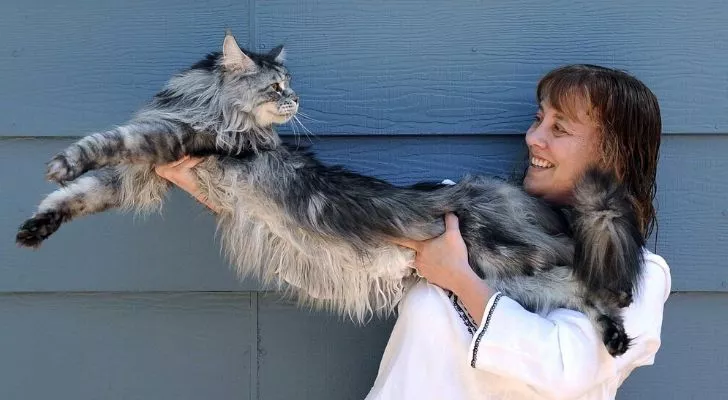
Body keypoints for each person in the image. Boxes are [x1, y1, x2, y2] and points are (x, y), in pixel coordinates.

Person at [155, 64, 671, 400]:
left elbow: (567, 370)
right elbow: (338, 264)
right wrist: (215, 192)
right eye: (539, 118)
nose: (533, 136)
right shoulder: (455, 213)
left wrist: (460, 278)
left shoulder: (640, 276)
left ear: (612, 154)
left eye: (559, 129)